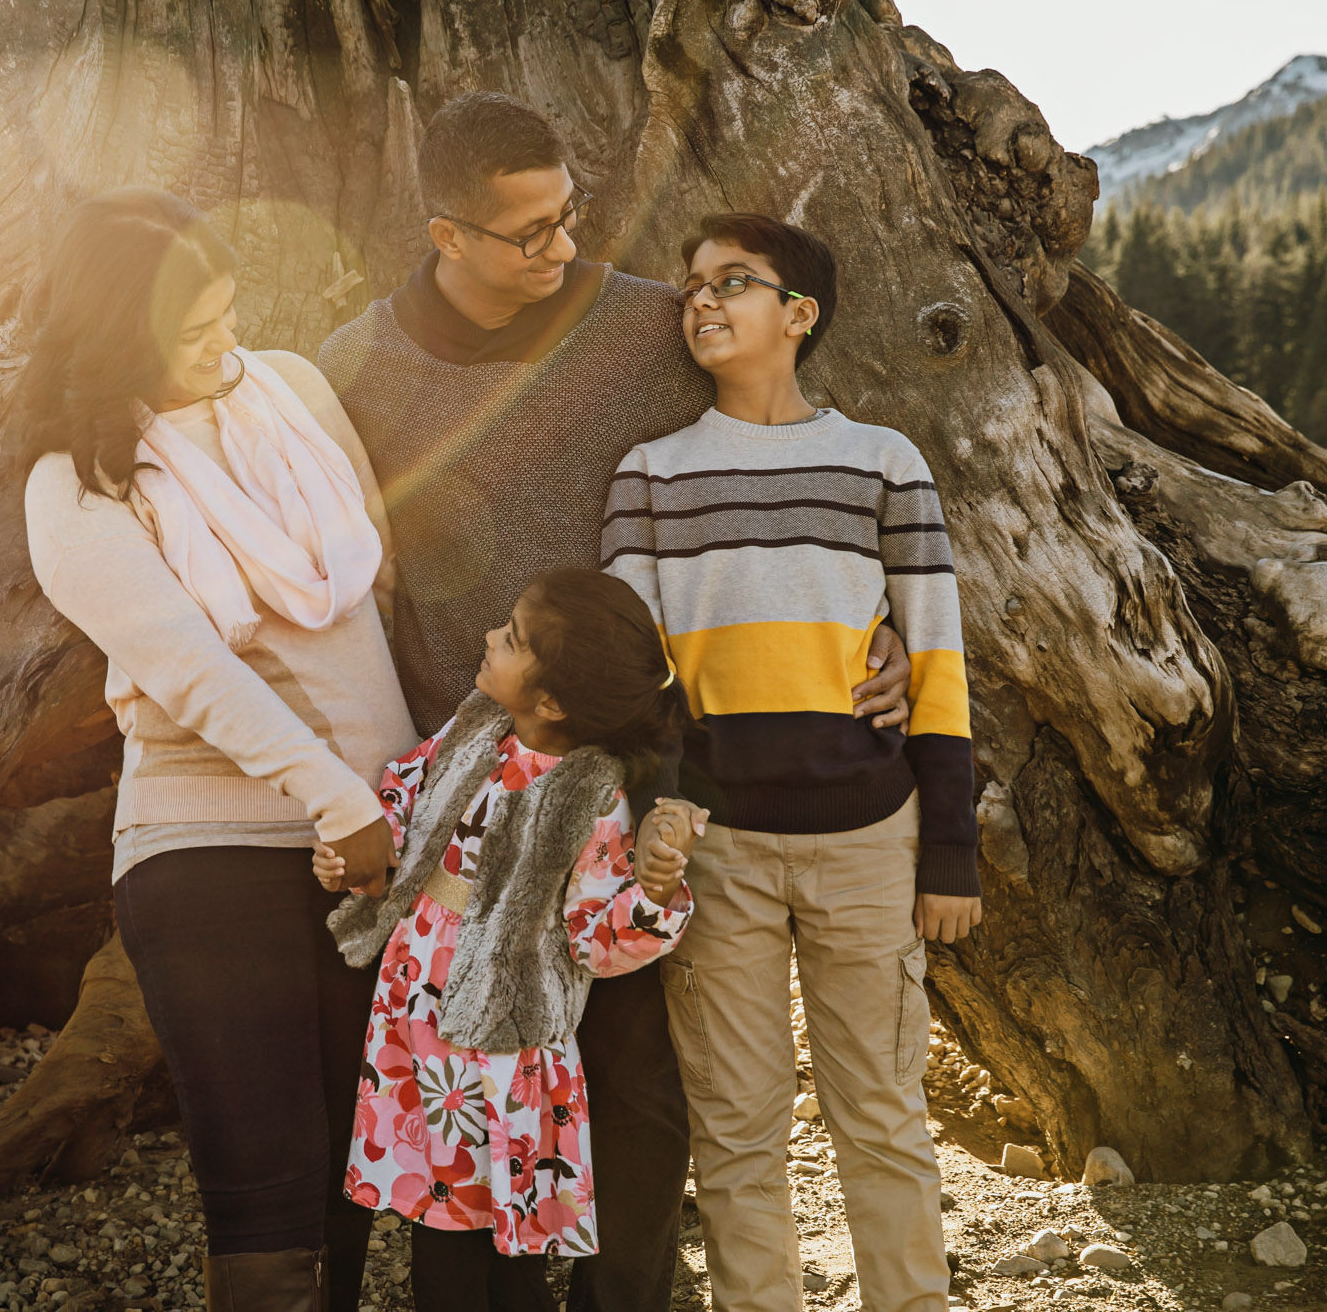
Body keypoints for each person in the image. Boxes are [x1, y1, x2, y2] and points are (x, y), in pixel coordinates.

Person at [315, 90, 915, 1312]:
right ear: (446, 234)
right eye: (527, 232)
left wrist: (877, 626)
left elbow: (779, 456)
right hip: (475, 789)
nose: (560, 249)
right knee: (469, 1081)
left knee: (638, 1083)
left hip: (637, 764)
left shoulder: (647, 324)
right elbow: (337, 574)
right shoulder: (355, 368)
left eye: (568, 217)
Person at [19, 186, 413, 1312]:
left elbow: (378, 579)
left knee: (350, 1172)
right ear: (115, 339)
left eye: (229, 312)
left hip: (368, 843)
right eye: (193, 333)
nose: (225, 344)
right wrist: (337, 797)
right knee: (265, 1188)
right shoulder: (76, 485)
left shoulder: (290, 389)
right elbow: (190, 667)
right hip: (209, 856)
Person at [602, 212, 982, 1312]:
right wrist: (655, 817)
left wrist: (947, 847)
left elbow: (938, 654)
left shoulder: (880, 462)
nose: (701, 302)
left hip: (869, 839)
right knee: (734, 1128)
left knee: (881, 1117)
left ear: (798, 314)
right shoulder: (650, 476)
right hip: (714, 854)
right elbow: (636, 678)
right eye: (690, 288)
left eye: (733, 282)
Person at [313, 569, 699, 1312]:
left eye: (513, 637)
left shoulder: (589, 796)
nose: (491, 637)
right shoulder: (472, 733)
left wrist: (652, 895)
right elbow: (404, 795)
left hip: (496, 1043)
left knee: (477, 1225)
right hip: (416, 1017)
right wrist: (357, 848)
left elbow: (595, 937)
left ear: (551, 700)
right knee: (439, 1212)